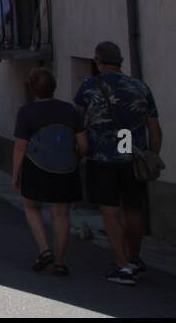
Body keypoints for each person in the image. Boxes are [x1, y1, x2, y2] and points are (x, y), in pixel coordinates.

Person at [73, 41, 163, 286]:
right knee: (134, 211)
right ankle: (134, 259)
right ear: (120, 61)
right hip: (133, 159)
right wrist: (151, 155)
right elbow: (154, 127)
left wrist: (79, 150)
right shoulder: (140, 87)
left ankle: (122, 266)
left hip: (101, 159)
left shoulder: (89, 87)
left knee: (109, 212)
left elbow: (77, 121)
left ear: (98, 61)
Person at [13, 67, 86, 276]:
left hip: (36, 168)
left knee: (31, 206)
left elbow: (20, 147)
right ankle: (61, 262)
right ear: (54, 87)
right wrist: (74, 159)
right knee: (61, 214)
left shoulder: (26, 112)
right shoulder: (68, 110)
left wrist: (16, 174)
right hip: (66, 169)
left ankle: (44, 249)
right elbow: (83, 144)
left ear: (33, 89)